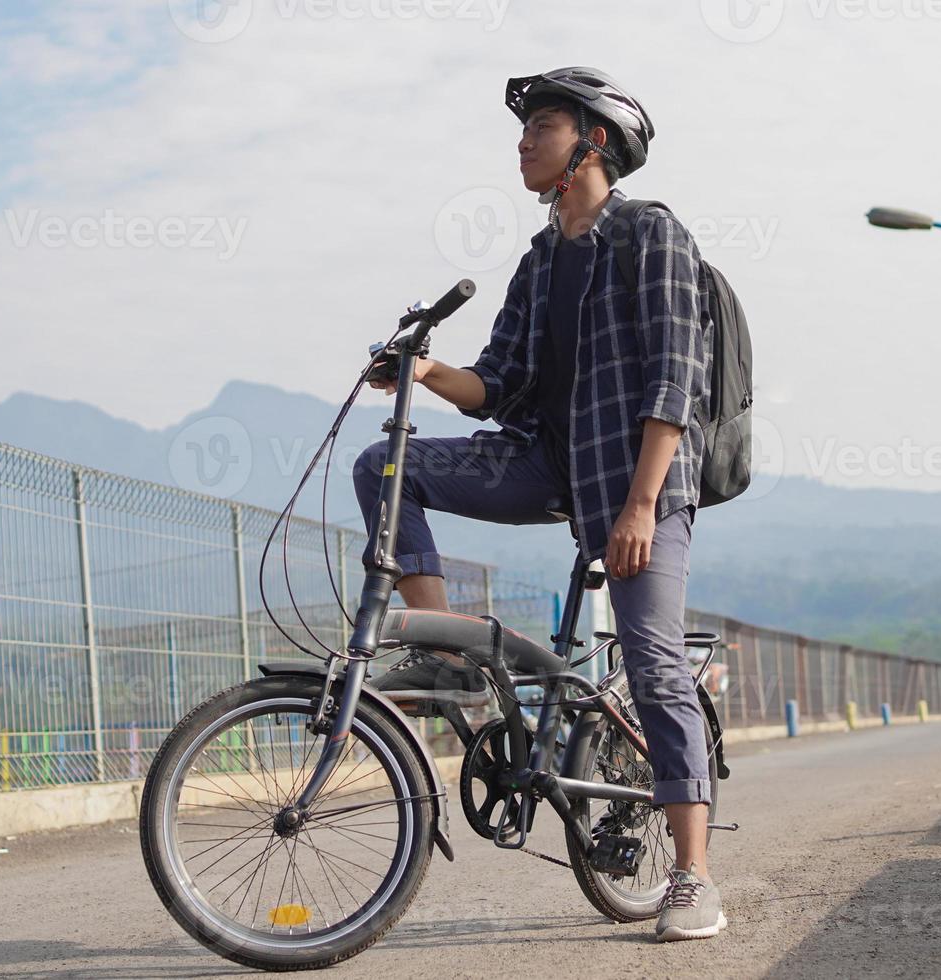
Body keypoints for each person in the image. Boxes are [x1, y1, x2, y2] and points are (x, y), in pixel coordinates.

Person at [351, 67, 722, 943]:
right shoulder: (541, 257)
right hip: (548, 464)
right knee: (385, 466)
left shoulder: (651, 237)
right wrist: (421, 370)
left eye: (542, 126)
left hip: (639, 482)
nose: (522, 141)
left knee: (655, 660)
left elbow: (677, 381)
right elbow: (502, 387)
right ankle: (442, 650)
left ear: (593, 143)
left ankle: (694, 877)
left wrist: (639, 508)